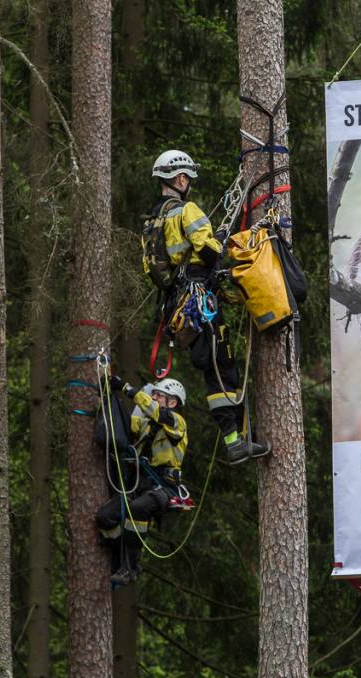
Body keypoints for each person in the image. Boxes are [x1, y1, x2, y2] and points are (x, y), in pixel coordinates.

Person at [148, 149, 270, 465]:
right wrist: (221, 247)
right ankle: (234, 443)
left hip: (177, 304)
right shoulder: (186, 210)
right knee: (221, 366)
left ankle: (240, 439)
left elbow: (157, 268)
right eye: (189, 179)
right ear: (181, 178)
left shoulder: (151, 222)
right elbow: (208, 251)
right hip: (198, 300)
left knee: (214, 366)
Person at [95, 377, 188, 586]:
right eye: (153, 394)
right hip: (140, 484)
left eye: (158, 395)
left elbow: (155, 412)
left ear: (172, 402)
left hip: (165, 487)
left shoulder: (176, 422)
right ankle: (121, 546)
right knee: (105, 517)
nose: (153, 398)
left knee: (137, 509)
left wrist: (127, 388)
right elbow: (126, 424)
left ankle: (131, 566)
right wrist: (107, 399)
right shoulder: (146, 422)